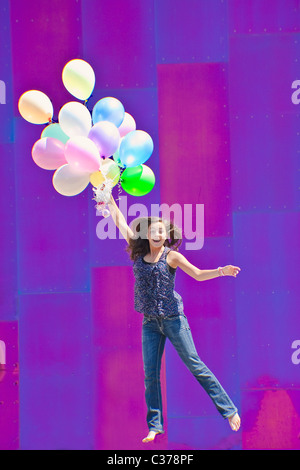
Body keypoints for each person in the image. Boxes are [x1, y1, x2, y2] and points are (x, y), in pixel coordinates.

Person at [108, 194, 241, 443]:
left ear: (166, 235)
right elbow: (119, 221)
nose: (157, 235)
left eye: (161, 231)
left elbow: (198, 274)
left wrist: (221, 271)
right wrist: (108, 198)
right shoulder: (138, 253)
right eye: (153, 231)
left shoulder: (171, 256)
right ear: (147, 234)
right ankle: (154, 425)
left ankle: (228, 409)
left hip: (173, 319)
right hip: (150, 323)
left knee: (195, 364)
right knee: (150, 374)